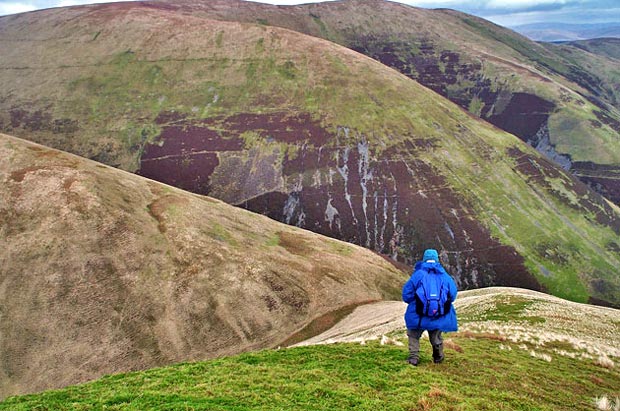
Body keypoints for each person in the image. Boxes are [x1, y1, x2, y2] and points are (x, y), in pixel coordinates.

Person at [402, 249, 458, 366]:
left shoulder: (418, 275)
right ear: (437, 259)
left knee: (413, 335)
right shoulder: (445, 276)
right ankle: (438, 356)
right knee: (435, 335)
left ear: (424, 259)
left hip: (418, 314)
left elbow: (406, 295)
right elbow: (452, 295)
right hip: (438, 313)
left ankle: (414, 358)